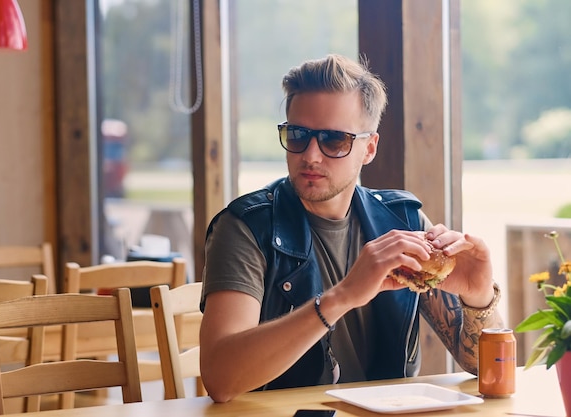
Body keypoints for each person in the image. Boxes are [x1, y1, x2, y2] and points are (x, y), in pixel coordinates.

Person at [199, 54, 504, 403]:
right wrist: (341, 297)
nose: (311, 155)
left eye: (334, 140)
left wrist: (478, 298)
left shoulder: (404, 222)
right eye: (298, 135)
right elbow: (220, 379)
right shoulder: (245, 227)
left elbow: (484, 369)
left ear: (369, 148)